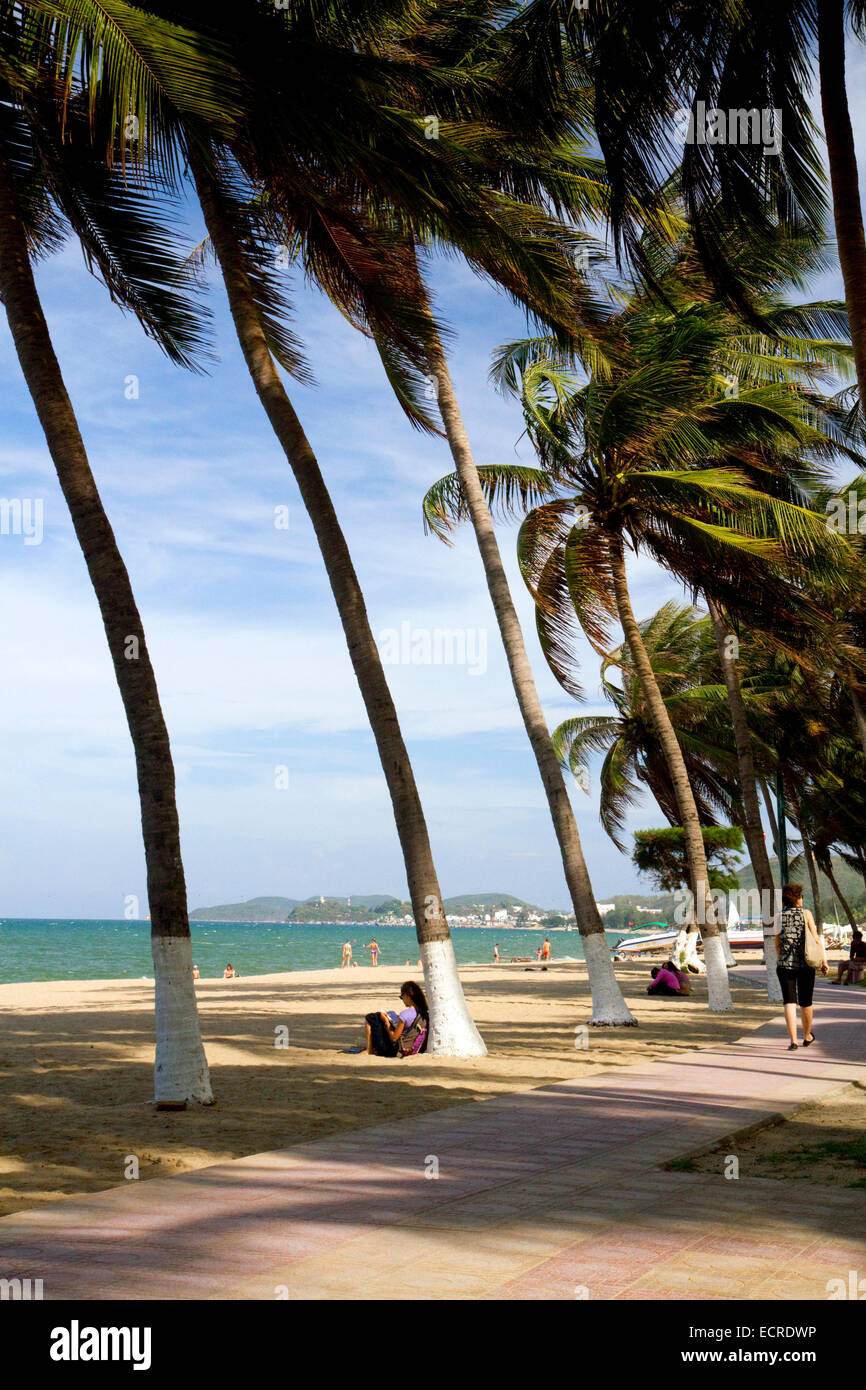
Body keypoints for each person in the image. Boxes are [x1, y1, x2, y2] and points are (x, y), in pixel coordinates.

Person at [772, 882, 828, 1050]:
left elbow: (777, 943)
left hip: (784, 965)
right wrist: (824, 961)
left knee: (789, 1002)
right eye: (801, 896)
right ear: (797, 898)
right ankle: (807, 1036)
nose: (802, 899)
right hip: (805, 964)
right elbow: (816, 939)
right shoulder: (806, 914)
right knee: (806, 1002)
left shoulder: (778, 917)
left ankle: (793, 1041)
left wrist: (779, 958)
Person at [364, 981, 429, 1057]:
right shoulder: (424, 1013)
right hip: (415, 1046)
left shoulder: (405, 1014)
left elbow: (394, 1038)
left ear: (407, 996)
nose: (402, 1000)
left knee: (371, 1017)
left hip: (397, 1050)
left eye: (402, 997)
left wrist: (386, 1022)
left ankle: (369, 1050)